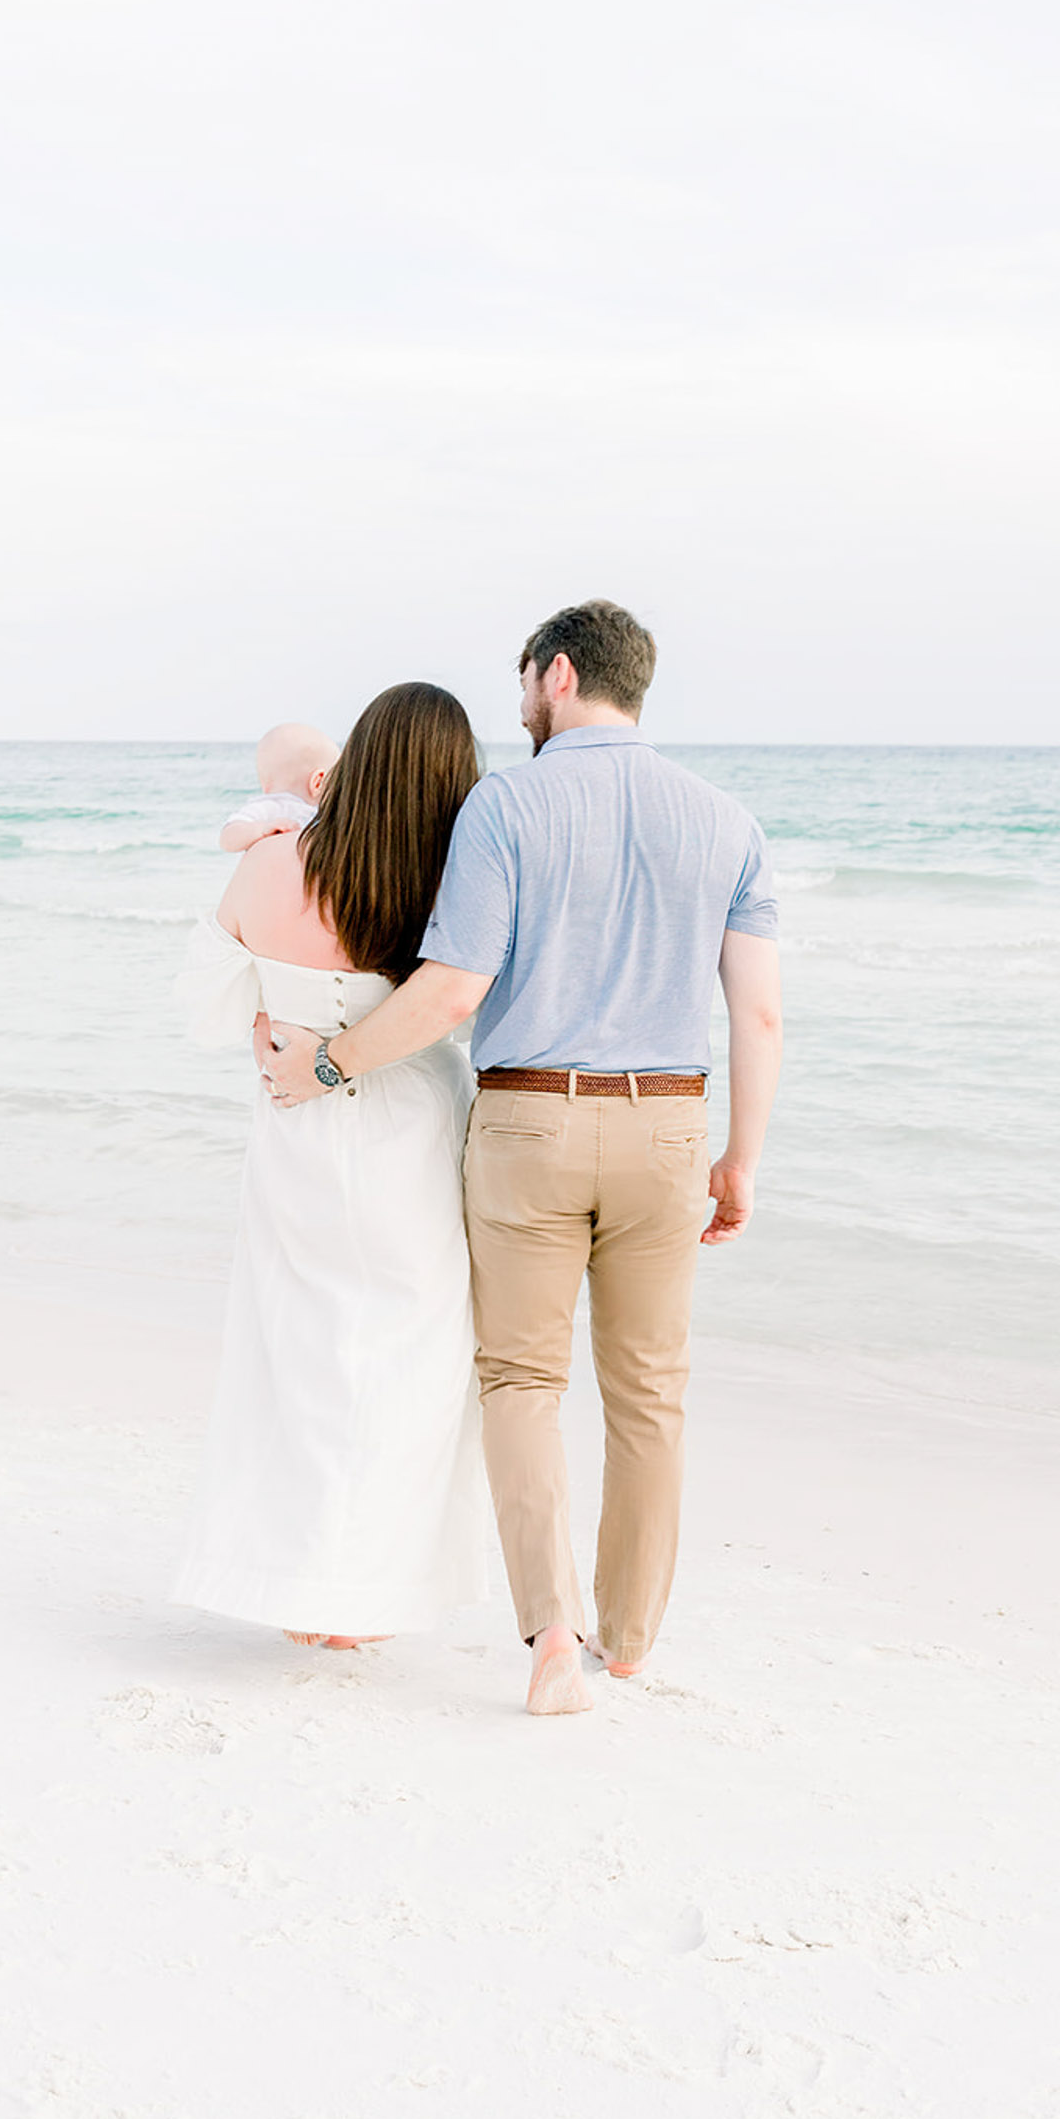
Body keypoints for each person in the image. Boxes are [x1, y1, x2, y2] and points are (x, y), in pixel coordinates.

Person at [266, 601, 782, 1714]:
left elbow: (453, 988)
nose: (518, 707)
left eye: (522, 685)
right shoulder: (725, 821)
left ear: (556, 675)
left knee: (520, 1383)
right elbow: (760, 1018)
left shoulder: (506, 804)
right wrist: (739, 1156)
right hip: (667, 1126)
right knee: (648, 1393)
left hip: (528, 1123)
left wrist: (330, 1065)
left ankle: (553, 1637)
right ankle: (632, 1638)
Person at [172, 685, 487, 1646]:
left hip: (296, 1119)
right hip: (412, 1122)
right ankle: (371, 1595)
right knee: (415, 1356)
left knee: (301, 1350)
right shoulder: (448, 877)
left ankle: (303, 1588)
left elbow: (202, 1004)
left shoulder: (270, 863)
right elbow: (467, 1007)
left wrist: (277, 1024)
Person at [217, 721, 339, 852]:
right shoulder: (270, 808)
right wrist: (261, 830)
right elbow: (227, 838)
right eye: (337, 782)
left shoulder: (320, 814)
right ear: (318, 783)